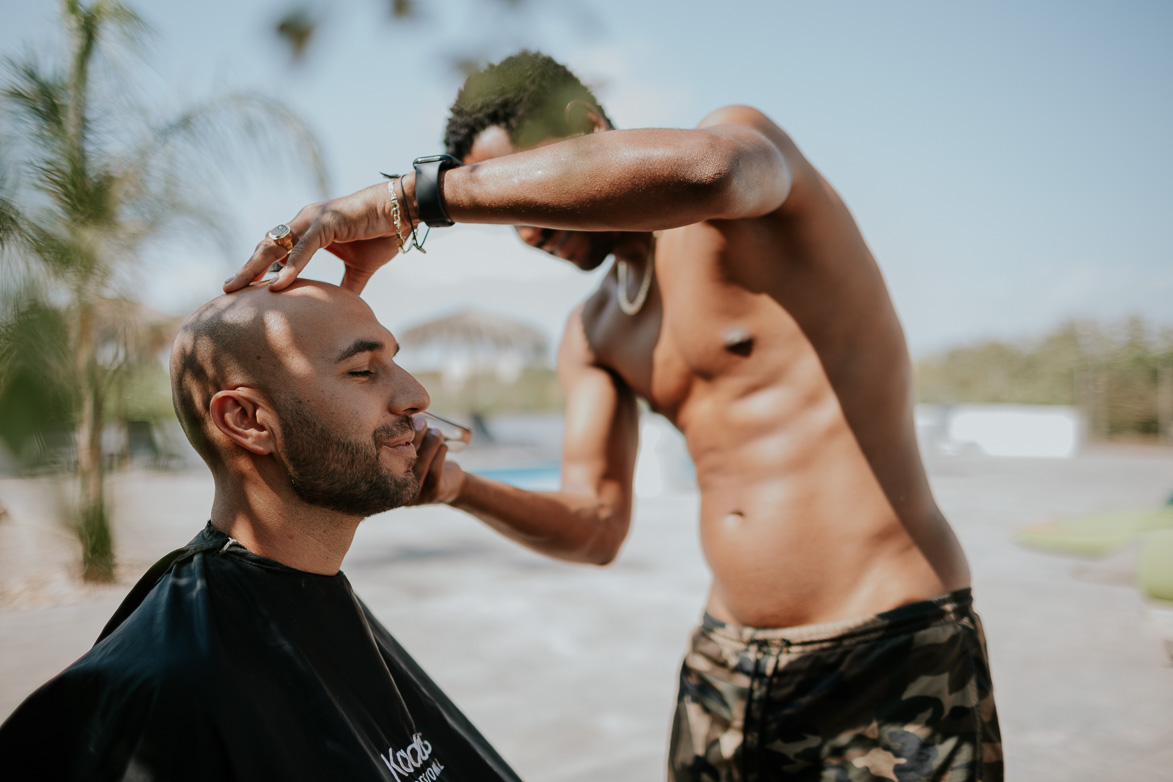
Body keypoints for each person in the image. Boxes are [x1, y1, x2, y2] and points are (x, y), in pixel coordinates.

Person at [227, 51, 1003, 781]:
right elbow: (595, 526)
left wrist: (413, 197)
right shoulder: (594, 330)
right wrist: (457, 487)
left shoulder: (742, 184)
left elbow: (712, 170)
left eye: (522, 183)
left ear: (592, 133)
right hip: (725, 664)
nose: (522, 223)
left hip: (891, 643)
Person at [0, 280, 523, 782]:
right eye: (364, 370)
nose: (417, 393)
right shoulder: (173, 684)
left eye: (395, 361)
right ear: (248, 420)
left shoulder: (305, 594)